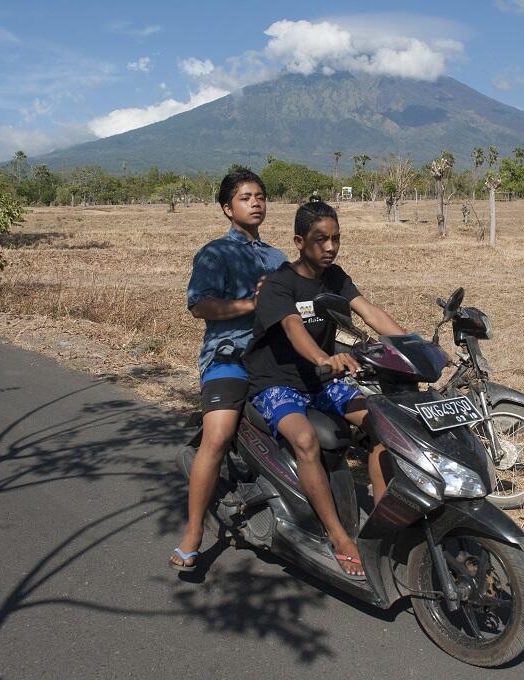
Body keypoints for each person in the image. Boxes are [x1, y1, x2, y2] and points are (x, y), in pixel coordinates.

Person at [243, 199, 406, 578]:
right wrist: (322, 358)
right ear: (300, 241)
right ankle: (338, 535)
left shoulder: (334, 278)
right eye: (320, 239)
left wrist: (416, 345)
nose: (330, 247)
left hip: (320, 379)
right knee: (304, 440)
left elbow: (371, 312)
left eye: (335, 238)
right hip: (277, 382)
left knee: (386, 425)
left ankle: (383, 526)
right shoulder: (279, 285)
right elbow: (293, 328)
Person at [170, 169, 287, 571]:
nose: (256, 202)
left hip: (276, 359)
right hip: (229, 357)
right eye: (245, 197)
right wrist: (251, 306)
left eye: (261, 196)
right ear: (226, 208)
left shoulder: (279, 259)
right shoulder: (215, 254)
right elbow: (200, 306)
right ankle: (194, 532)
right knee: (217, 436)